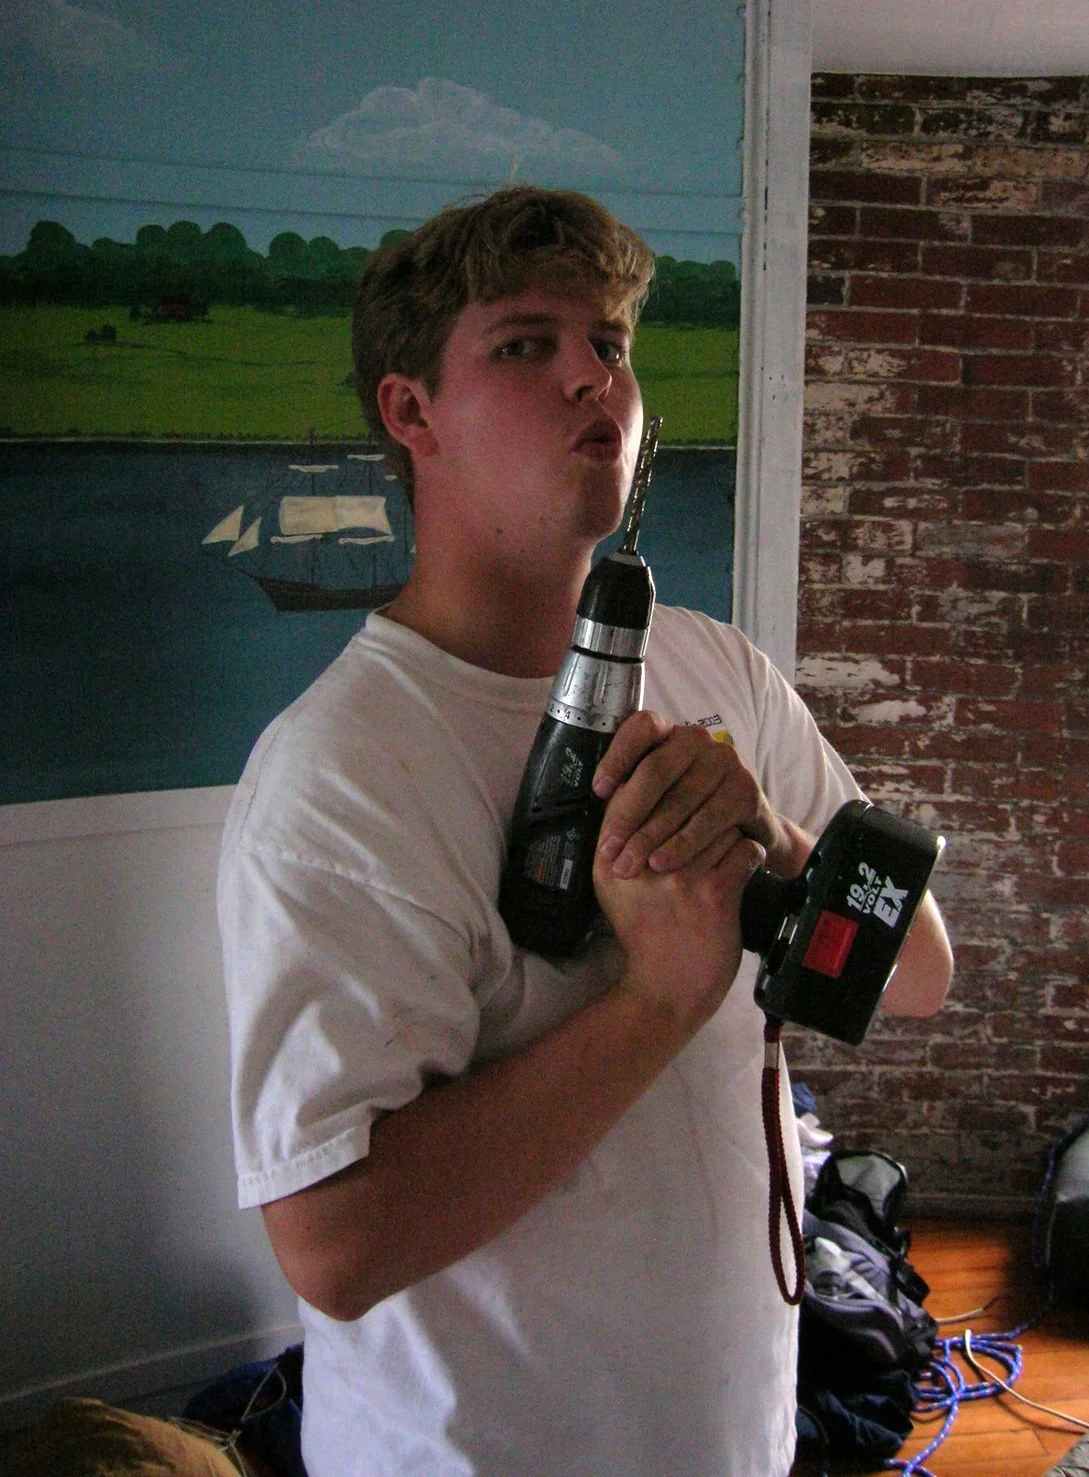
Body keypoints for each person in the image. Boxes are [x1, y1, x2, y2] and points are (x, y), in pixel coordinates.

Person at [218, 185, 953, 1477]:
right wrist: (659, 999)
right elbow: (334, 1246)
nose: (593, 379)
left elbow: (923, 971)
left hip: (734, 1433)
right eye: (527, 344)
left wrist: (779, 842)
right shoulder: (341, 774)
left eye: (610, 343)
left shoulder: (721, 670)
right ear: (411, 412)